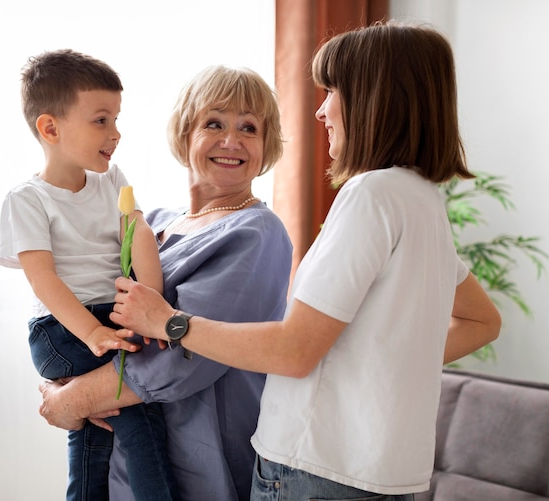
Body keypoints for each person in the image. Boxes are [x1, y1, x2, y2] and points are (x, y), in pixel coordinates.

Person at [98, 22, 503, 500]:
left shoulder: (370, 195)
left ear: (375, 98)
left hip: (315, 468)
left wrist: (169, 323)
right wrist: (374, 368)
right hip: (381, 472)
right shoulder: (421, 200)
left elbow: (293, 351)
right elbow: (483, 320)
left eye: (334, 90)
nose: (322, 109)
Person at [37, 65, 293, 500]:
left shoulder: (256, 233)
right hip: (124, 455)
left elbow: (182, 360)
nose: (231, 140)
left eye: (249, 128)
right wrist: (59, 374)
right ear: (185, 131)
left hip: (198, 461)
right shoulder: (153, 222)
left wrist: (72, 400)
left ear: (265, 144)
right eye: (214, 123)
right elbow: (85, 297)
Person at [0, 49, 178, 501]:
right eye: (101, 120)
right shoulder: (27, 200)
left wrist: (151, 306)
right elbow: (44, 282)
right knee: (137, 411)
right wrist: (93, 331)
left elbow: (138, 251)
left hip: (106, 321)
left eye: (116, 119)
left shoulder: (112, 180)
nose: (116, 133)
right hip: (61, 328)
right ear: (51, 128)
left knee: (95, 430)